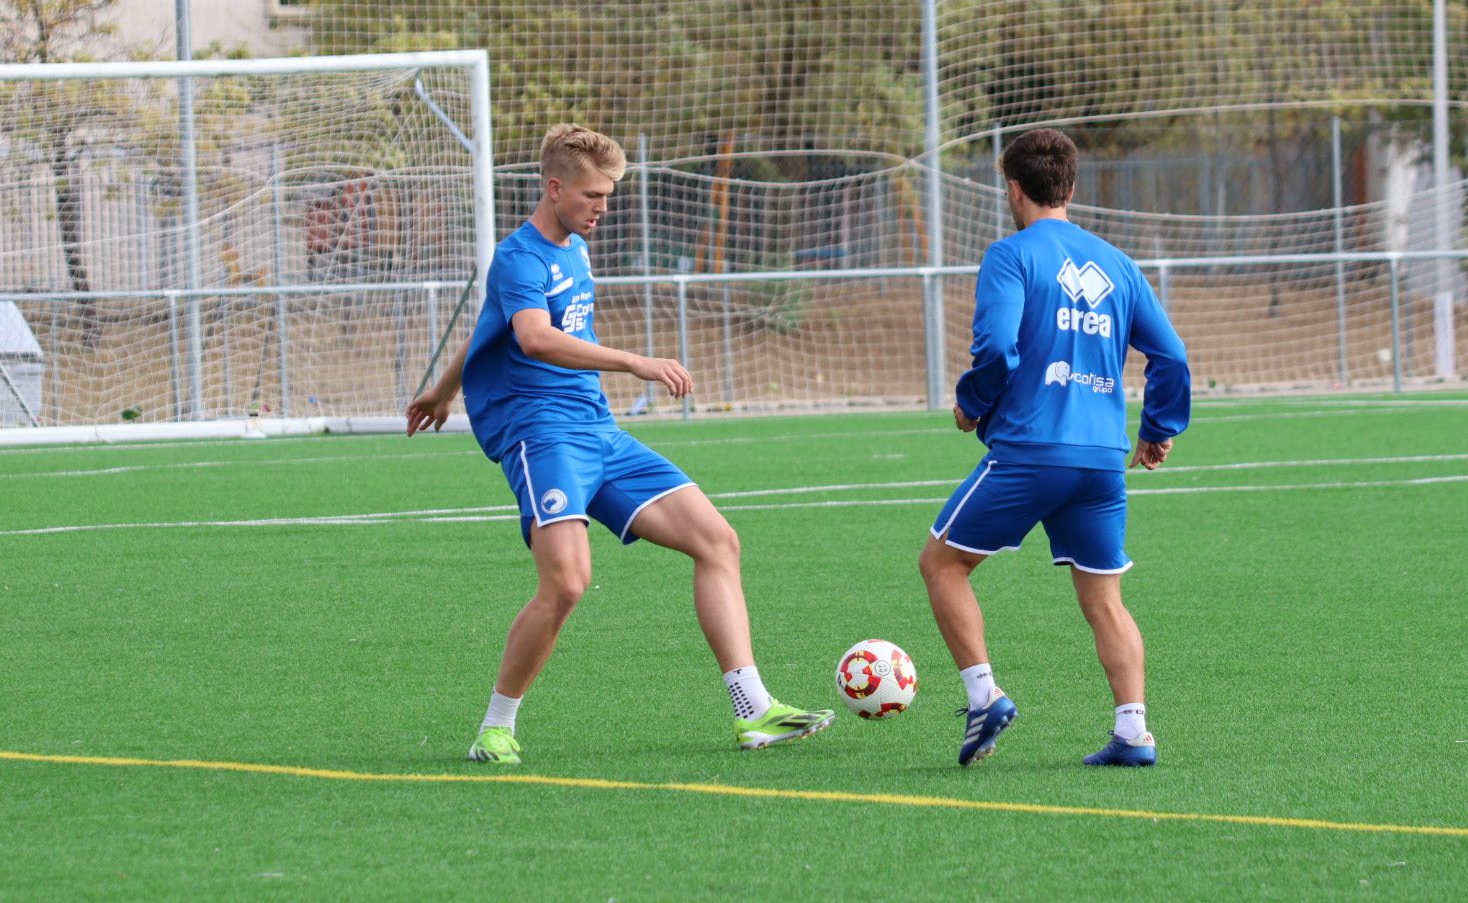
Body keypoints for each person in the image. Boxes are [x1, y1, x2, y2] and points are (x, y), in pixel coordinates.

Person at [407, 123, 834, 764]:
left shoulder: (575, 249)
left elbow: (485, 326)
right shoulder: (520, 256)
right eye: (592, 196)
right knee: (568, 585)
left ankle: (755, 710)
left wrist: (443, 390)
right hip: (540, 434)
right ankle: (495, 727)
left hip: (597, 430)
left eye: (608, 195)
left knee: (717, 540)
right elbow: (530, 336)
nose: (602, 207)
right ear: (554, 189)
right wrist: (633, 360)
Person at [918, 128, 1190, 768]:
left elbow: (995, 347)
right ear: (1070, 187)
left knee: (941, 565)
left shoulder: (1011, 256)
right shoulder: (1117, 265)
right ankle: (1133, 733)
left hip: (1032, 451)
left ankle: (985, 697)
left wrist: (972, 403)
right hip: (1101, 459)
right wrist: (1157, 428)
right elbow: (1171, 354)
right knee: (1104, 599)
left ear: (1013, 188)